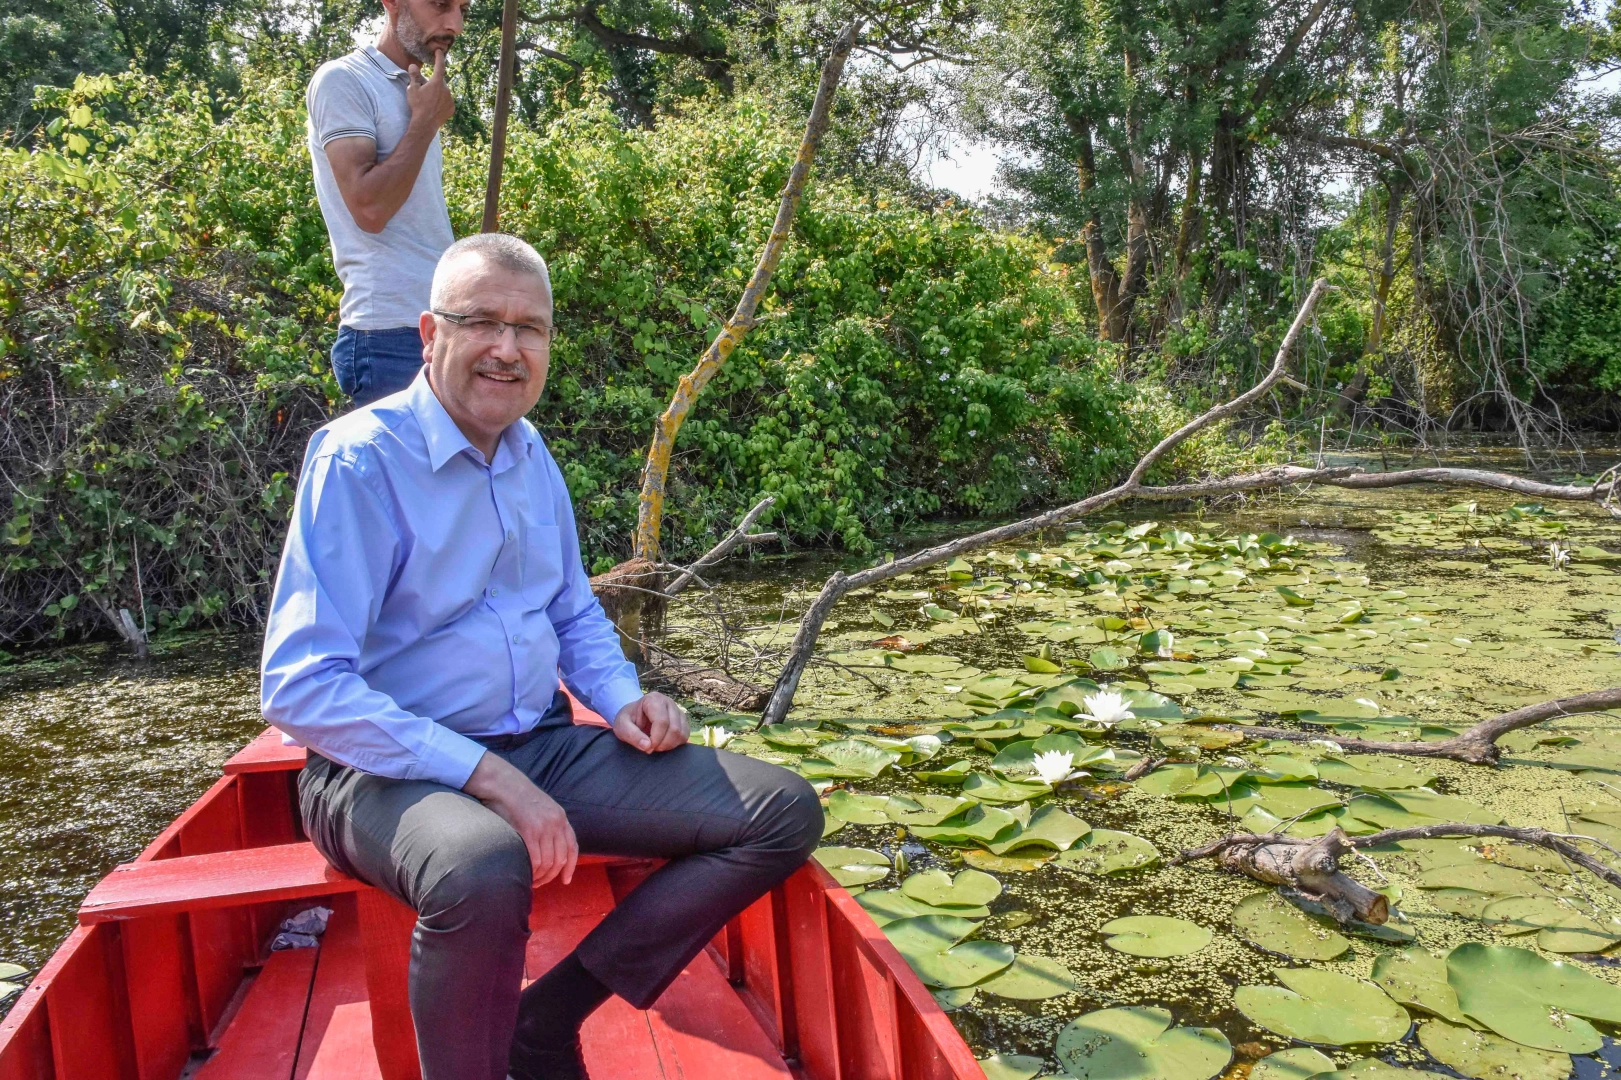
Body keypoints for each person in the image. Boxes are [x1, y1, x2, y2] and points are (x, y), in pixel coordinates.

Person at [259, 233, 822, 1080]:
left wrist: (622, 695)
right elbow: (299, 687)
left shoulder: (530, 456)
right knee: (481, 864)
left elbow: (568, 610)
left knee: (780, 812)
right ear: (427, 333)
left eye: (530, 329)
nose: (507, 348)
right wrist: (487, 779)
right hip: (379, 774)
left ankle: (545, 1021)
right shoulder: (359, 459)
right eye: (482, 321)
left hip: (539, 741)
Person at [306, 0, 463, 405]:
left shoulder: (418, 91)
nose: (455, 24)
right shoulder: (343, 80)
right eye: (441, 5)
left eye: (463, 8)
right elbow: (369, 209)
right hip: (386, 337)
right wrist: (425, 124)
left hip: (438, 327)